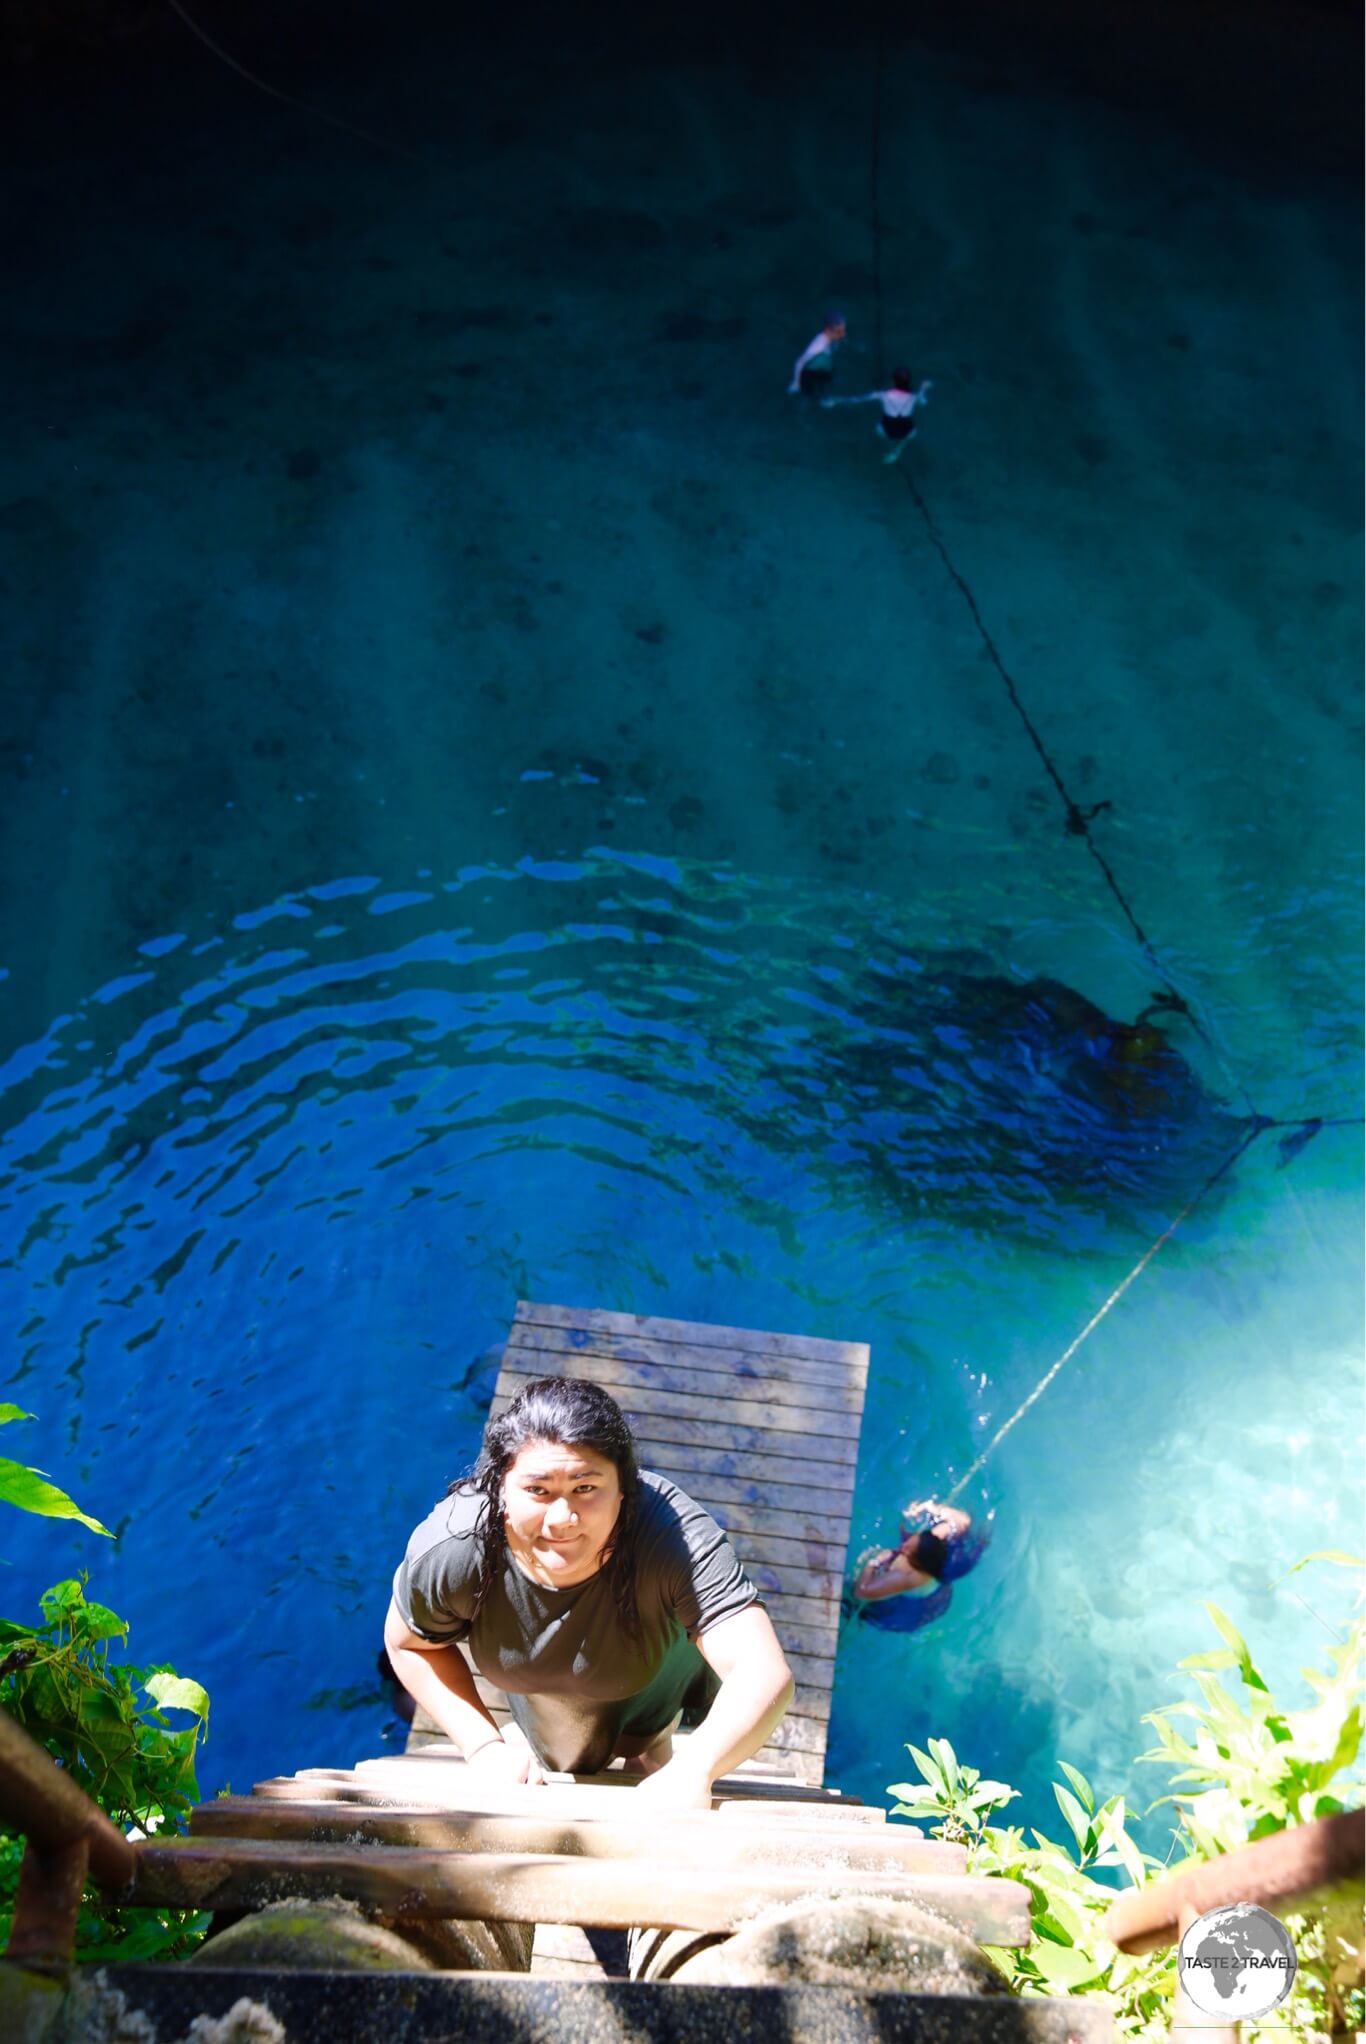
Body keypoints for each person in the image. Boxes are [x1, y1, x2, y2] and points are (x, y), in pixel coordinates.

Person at [383, 1376, 794, 1810]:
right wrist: (484, 1747)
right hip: (551, 1712)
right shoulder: (458, 1545)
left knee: (652, 1751)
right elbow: (408, 1642)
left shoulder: (672, 1536)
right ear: (501, 1487)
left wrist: (695, 1770)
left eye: (585, 1488)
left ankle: (650, 1748)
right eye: (537, 1490)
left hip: (657, 1675)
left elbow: (762, 1669)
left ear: (623, 1489)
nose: (563, 1519)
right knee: (561, 1758)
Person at [847, 1497, 989, 1633]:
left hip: (917, 1606)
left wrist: (874, 1562)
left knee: (852, 1599)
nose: (903, 1547)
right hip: (934, 1581)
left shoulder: (907, 1576)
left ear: (914, 1563)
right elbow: (963, 1520)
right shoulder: (932, 1543)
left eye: (906, 1551)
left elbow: (861, 1592)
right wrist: (929, 1507)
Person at [822, 367, 932, 462]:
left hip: (887, 430)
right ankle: (897, 451)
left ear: (893, 381)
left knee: (880, 431)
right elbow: (924, 403)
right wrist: (923, 388)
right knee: (908, 435)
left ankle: (891, 450)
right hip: (907, 431)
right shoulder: (913, 397)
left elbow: (857, 400)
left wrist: (836, 400)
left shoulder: (882, 395)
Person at [788, 315, 847, 397]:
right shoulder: (818, 346)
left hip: (824, 369)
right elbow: (799, 362)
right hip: (811, 375)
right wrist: (796, 384)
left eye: (843, 330)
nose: (843, 335)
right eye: (839, 332)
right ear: (828, 330)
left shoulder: (833, 339)